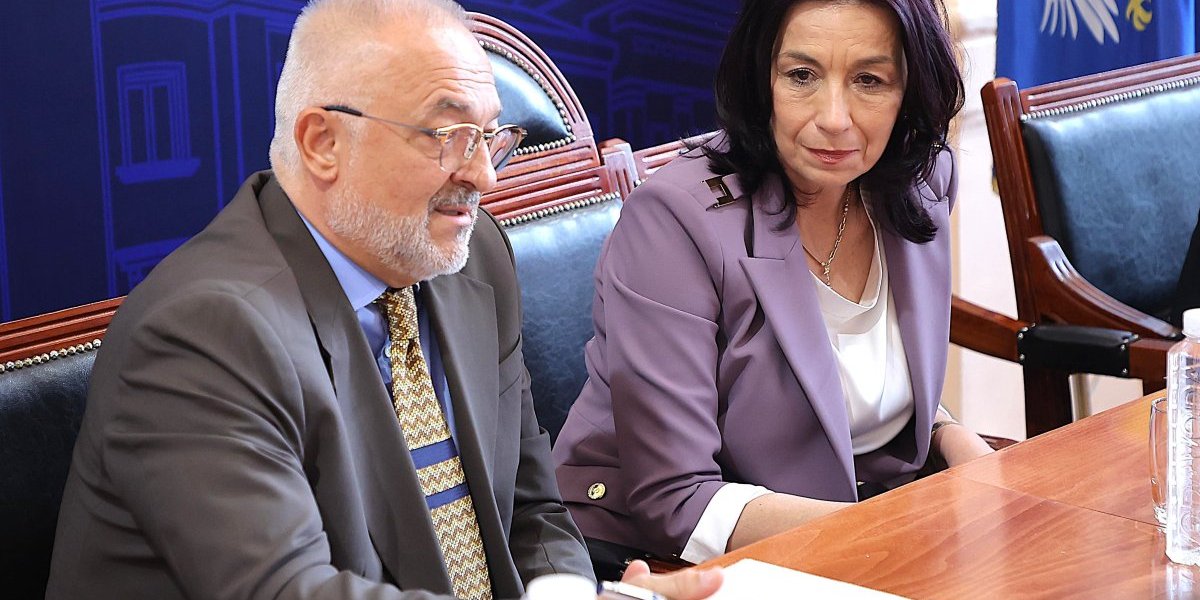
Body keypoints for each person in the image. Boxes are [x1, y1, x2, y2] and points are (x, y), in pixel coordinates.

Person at [44, 1, 721, 598]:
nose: (484, 175)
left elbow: (531, 508)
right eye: (447, 136)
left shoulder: (474, 256)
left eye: (493, 136)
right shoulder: (202, 332)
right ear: (323, 143)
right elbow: (289, 590)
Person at [553, 0, 995, 569]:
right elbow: (677, 499)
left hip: (861, 524)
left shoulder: (921, 180)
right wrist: (889, 533)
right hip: (663, 553)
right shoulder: (674, 221)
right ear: (761, 77)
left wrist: (953, 440)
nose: (834, 118)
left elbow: (864, 379)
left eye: (869, 80)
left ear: (909, 89)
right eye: (802, 75)